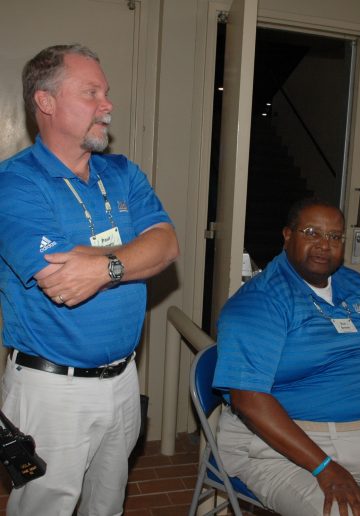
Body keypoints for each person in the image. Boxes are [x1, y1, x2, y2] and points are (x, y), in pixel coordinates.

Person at [0, 44, 179, 516]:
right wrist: (132, 253)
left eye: (106, 92)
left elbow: (167, 245)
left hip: (123, 379)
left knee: (108, 505)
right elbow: (60, 280)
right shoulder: (14, 183)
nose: (107, 105)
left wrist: (102, 266)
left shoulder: (122, 172)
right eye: (91, 93)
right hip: (52, 389)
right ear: (46, 101)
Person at [213, 198, 360, 516]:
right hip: (293, 453)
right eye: (312, 232)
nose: (324, 245)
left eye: (334, 236)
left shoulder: (356, 285)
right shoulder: (260, 300)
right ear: (288, 235)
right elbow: (248, 399)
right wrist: (325, 467)